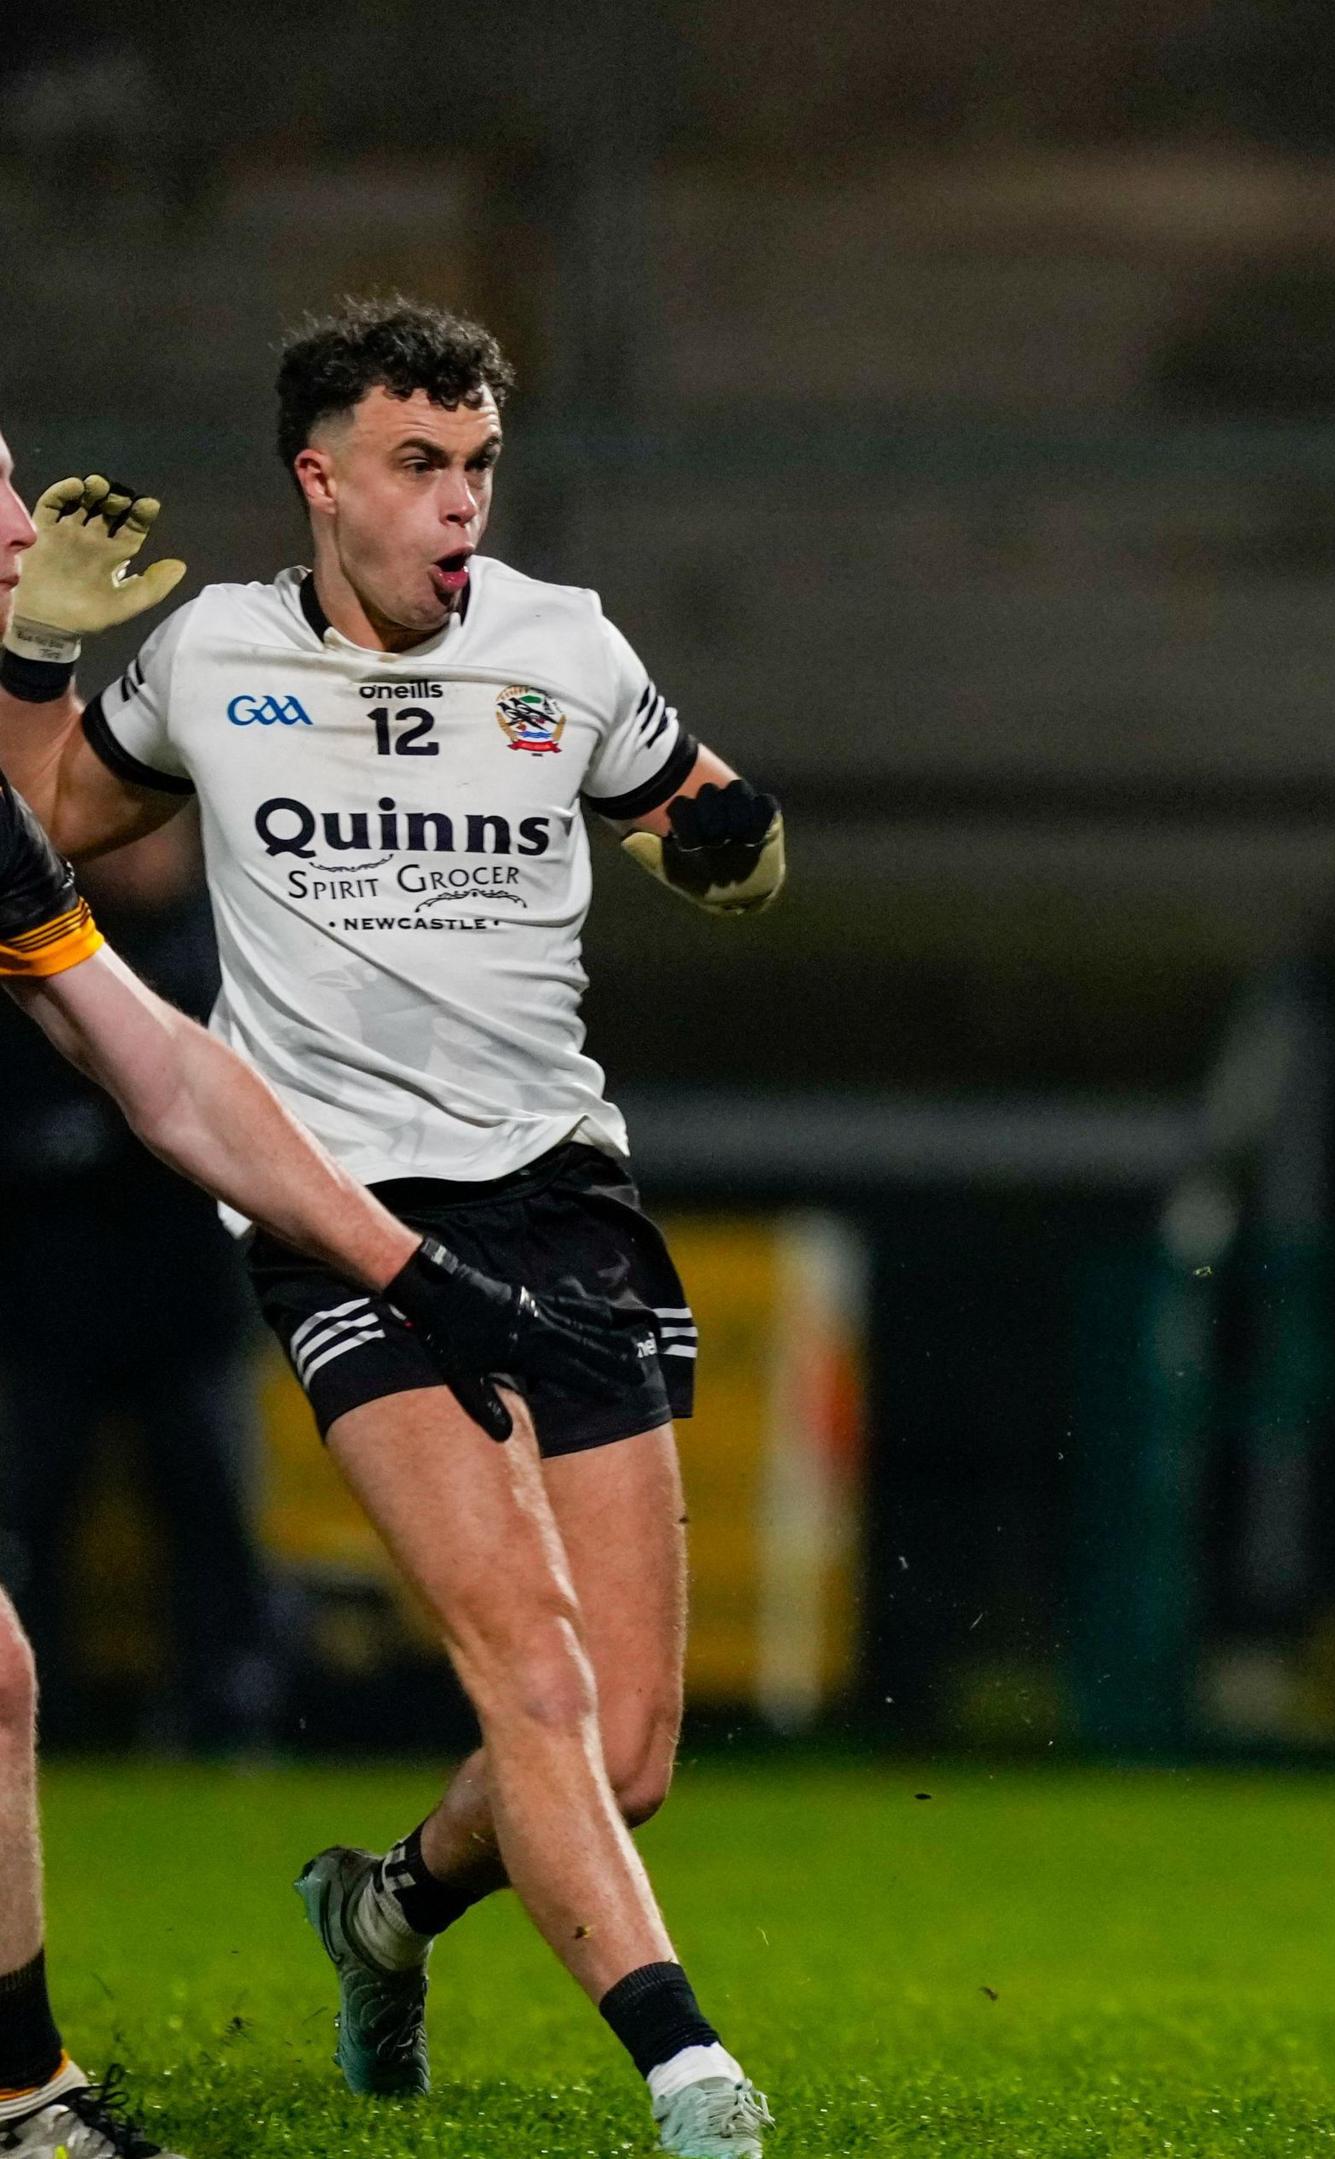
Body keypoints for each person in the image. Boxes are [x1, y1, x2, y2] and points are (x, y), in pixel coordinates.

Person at [0, 296, 790, 2159]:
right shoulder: (204, 656)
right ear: (322, 476)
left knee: (620, 1754)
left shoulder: (566, 650)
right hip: (337, 1206)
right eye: (420, 466)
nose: (459, 505)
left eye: (480, 467)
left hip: (568, 1195)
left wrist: (737, 844)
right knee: (527, 1662)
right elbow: (28, 835)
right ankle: (687, 2065)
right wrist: (38, 644)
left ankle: (389, 1902)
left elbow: (726, 837)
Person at [0, 830, 278, 1756]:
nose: (141, 858)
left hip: (187, 1304)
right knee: (31, 1519)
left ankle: (229, 1715)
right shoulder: (35, 941)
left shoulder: (231, 948)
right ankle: (39, 1724)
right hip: (48, 1307)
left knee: (210, 1513)